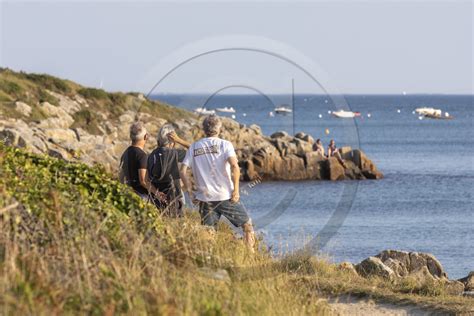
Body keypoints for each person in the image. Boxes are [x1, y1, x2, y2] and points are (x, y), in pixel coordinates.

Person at [179, 115, 256, 251]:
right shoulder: (225, 145)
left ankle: (209, 261)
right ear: (219, 128)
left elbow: (183, 171)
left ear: (204, 129)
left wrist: (190, 193)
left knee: (208, 234)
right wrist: (236, 190)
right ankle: (251, 257)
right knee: (248, 226)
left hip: (205, 198)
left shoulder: (194, 147)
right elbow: (235, 167)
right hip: (226, 196)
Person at [147, 124, 190, 216]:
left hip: (156, 198)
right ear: (172, 140)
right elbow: (195, 150)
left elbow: (147, 179)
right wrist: (179, 140)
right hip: (174, 198)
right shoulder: (175, 153)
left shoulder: (151, 155)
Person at [119, 122, 156, 199]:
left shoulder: (126, 152)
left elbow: (121, 176)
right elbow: (143, 181)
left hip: (127, 192)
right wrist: (157, 193)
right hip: (140, 196)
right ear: (145, 137)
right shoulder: (142, 156)